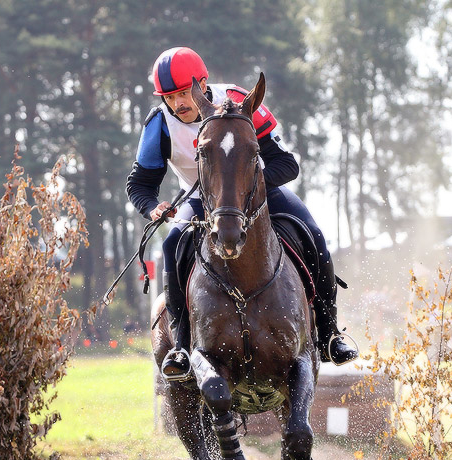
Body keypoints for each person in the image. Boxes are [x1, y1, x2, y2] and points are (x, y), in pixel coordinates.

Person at [127, 47, 357, 380]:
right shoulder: (159, 125)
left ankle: (330, 332)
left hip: (258, 190)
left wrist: (245, 182)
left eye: (182, 94)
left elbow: (286, 164)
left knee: (313, 233)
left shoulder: (238, 99)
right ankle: (180, 344)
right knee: (170, 245)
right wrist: (153, 207)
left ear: (201, 84)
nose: (178, 103)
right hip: (203, 200)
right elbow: (140, 184)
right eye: (169, 96)